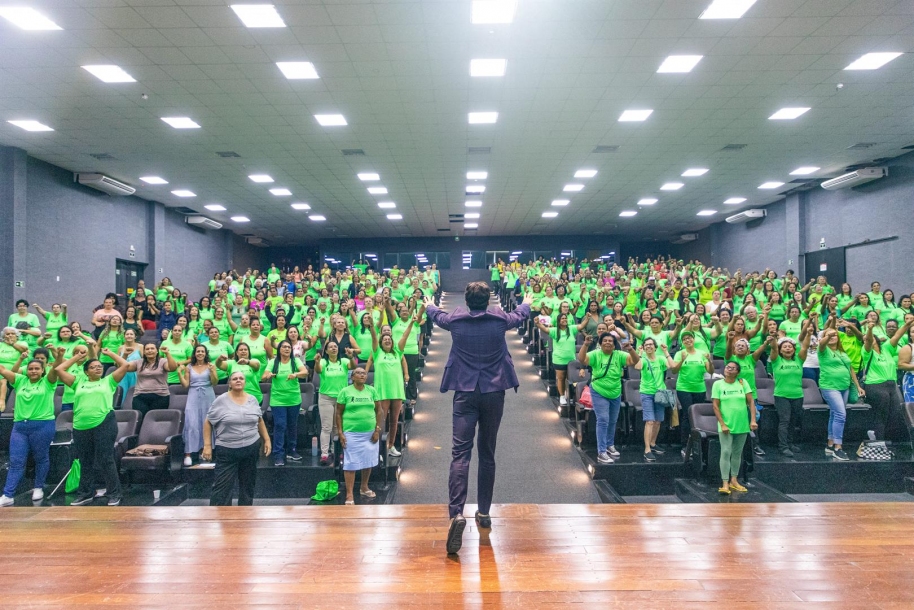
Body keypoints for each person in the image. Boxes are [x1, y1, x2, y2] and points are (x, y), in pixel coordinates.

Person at [424, 282, 533, 555]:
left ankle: (456, 514)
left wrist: (429, 303)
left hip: (465, 392)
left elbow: (437, 316)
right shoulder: (498, 319)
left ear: (467, 300)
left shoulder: (456, 320)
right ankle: (483, 512)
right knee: (487, 452)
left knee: (460, 454)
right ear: (487, 301)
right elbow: (520, 315)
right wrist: (527, 301)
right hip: (494, 392)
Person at [55, 348, 131, 506]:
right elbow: (59, 369)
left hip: (104, 423)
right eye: (93, 366)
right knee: (85, 461)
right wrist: (77, 357)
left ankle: (114, 493)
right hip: (81, 426)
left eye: (99, 366)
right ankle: (85, 493)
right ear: (86, 372)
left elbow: (125, 365)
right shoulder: (77, 382)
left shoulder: (108, 381)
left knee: (106, 459)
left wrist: (110, 353)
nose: (98, 368)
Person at [0, 349, 62, 506]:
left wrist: (58, 356)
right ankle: (8, 495)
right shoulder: (20, 380)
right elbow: (2, 370)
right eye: (30, 369)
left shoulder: (48, 382)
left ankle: (38, 487)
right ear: (27, 371)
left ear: (42, 371)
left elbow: (56, 368)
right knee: (16, 461)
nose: (33, 371)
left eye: (37, 369)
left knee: (41, 458)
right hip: (20, 427)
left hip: (43, 425)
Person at [202, 371, 272, 506]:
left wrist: (267, 439)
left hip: (251, 448)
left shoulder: (252, 399)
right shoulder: (221, 400)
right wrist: (207, 445)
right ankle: (220, 519)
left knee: (247, 486)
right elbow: (208, 422)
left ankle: (245, 517)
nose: (238, 380)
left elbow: (259, 420)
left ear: (245, 382)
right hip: (227, 450)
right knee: (222, 489)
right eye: (235, 379)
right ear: (229, 383)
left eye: (241, 378)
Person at [578, 329, 640, 464]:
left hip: (616, 391)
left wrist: (630, 349)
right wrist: (586, 345)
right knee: (603, 419)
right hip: (599, 390)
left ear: (614, 344)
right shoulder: (595, 354)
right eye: (605, 340)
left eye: (610, 341)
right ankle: (601, 452)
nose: (607, 343)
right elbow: (582, 359)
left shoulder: (619, 355)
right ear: (600, 343)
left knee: (613, 420)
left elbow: (634, 361)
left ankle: (609, 444)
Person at [335, 367, 382, 505]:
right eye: (358, 373)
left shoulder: (372, 391)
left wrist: (377, 430)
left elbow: (379, 411)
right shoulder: (345, 391)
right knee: (351, 463)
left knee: (368, 460)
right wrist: (340, 432)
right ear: (352, 377)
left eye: (364, 373)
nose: (362, 375)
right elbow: (338, 413)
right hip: (351, 433)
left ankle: (364, 487)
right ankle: (349, 494)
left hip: (370, 433)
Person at [818, 326, 864, 461]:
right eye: (829, 336)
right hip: (829, 386)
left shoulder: (842, 351)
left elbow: (851, 369)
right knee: (840, 414)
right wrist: (830, 331)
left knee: (834, 413)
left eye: (835, 336)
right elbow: (821, 343)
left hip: (844, 386)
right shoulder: (823, 350)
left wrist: (858, 386)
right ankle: (838, 448)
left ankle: (830, 444)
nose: (833, 337)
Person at [712, 361, 757, 494]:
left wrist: (753, 420)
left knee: (737, 453)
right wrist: (722, 424)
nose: (729, 370)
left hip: (742, 424)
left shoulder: (743, 383)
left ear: (737, 372)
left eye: (732, 368)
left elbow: (751, 402)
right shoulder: (718, 384)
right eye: (727, 367)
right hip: (726, 425)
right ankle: (725, 482)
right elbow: (715, 406)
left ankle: (734, 480)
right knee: (726, 452)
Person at [262, 339, 308, 466]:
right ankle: (278, 454)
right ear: (279, 349)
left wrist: (296, 375)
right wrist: (268, 375)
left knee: (292, 426)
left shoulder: (296, 361)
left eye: (289, 347)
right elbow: (263, 376)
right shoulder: (273, 362)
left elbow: (305, 373)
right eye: (284, 347)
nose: (287, 349)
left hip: (294, 399)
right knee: (280, 425)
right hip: (278, 400)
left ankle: (292, 451)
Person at [669, 331, 714, 457]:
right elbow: (673, 371)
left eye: (689, 338)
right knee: (688, 414)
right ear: (682, 342)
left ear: (694, 339)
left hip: (699, 388)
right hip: (684, 388)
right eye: (685, 339)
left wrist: (710, 361)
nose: (687, 340)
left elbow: (710, 371)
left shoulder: (702, 353)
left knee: (697, 415)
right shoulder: (680, 353)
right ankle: (685, 445)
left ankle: (698, 442)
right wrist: (682, 360)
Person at [313, 340, 356, 465]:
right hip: (326, 398)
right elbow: (318, 370)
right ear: (326, 351)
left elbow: (353, 367)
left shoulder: (343, 361)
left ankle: (336, 451)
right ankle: (325, 454)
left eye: (335, 346)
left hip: (341, 398)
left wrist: (351, 357)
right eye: (330, 347)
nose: (333, 348)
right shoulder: (323, 362)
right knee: (326, 427)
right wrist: (316, 362)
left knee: (338, 428)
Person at [769, 331, 810, 457]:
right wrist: (774, 338)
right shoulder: (776, 361)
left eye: (790, 346)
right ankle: (783, 446)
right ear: (781, 350)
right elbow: (774, 348)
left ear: (793, 349)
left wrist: (808, 334)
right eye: (785, 347)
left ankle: (790, 443)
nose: (787, 348)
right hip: (782, 396)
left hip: (797, 395)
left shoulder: (799, 360)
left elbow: (805, 347)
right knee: (784, 421)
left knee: (793, 421)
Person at [178, 345, 218, 467]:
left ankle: (205, 452)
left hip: (208, 395)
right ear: (194, 354)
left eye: (202, 351)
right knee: (192, 422)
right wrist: (180, 373)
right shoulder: (189, 367)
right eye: (198, 351)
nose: (200, 353)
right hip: (193, 395)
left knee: (207, 422)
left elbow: (215, 382)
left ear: (206, 354)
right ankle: (188, 454)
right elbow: (185, 385)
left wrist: (212, 371)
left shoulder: (211, 365)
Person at [634, 337, 673, 462]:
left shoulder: (661, 359)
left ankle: (653, 443)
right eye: (646, 345)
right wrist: (639, 353)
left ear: (655, 347)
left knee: (658, 421)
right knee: (649, 421)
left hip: (660, 393)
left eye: (651, 344)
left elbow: (672, 366)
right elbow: (638, 367)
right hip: (647, 393)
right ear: (644, 347)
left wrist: (666, 352)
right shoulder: (644, 360)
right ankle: (647, 450)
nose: (649, 346)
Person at [129, 343, 178, 421]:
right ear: (144, 352)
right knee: (140, 421)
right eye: (147, 349)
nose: (150, 351)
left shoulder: (162, 361)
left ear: (157, 351)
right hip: (140, 396)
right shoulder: (138, 362)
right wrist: (124, 355)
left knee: (157, 422)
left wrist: (167, 353)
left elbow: (172, 368)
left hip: (160, 396)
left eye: (152, 348)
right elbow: (124, 366)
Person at [537, 313, 576, 407]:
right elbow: (545, 329)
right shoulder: (555, 330)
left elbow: (582, 326)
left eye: (565, 318)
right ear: (559, 320)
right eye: (562, 318)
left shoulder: (571, 329)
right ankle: (562, 396)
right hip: (559, 359)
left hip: (571, 359)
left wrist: (587, 318)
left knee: (570, 379)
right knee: (561, 378)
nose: (564, 320)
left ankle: (568, 395)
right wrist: (538, 323)